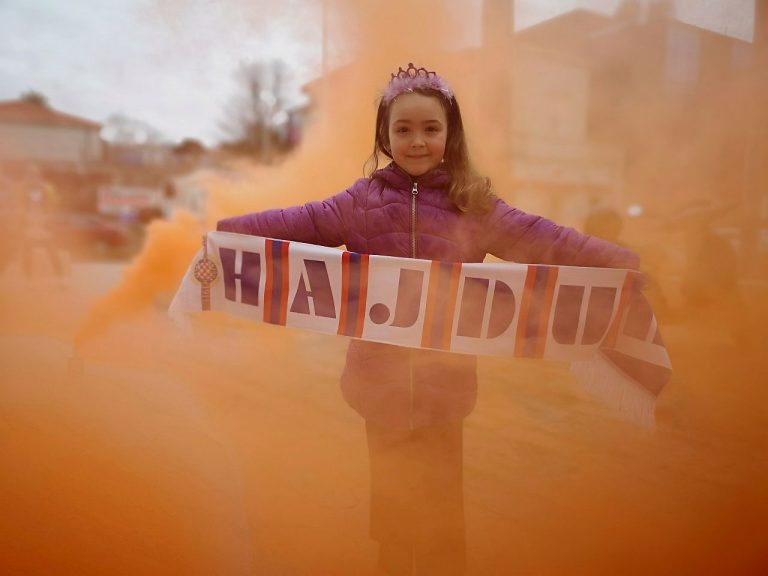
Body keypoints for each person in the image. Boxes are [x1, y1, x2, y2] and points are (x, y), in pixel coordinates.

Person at [217, 63, 640, 576]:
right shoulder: (359, 202)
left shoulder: (474, 205)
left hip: (447, 388)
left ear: (450, 135)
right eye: (403, 129)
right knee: (394, 515)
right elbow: (294, 224)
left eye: (430, 128)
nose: (417, 141)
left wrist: (617, 259)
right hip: (378, 387)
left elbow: (545, 237)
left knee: (442, 519)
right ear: (385, 136)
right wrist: (224, 234)